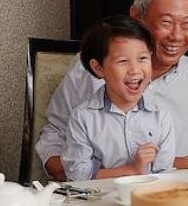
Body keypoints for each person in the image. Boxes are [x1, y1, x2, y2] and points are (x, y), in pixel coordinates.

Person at [36, 0, 188, 181]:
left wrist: (183, 162)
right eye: (166, 22)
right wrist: (73, 172)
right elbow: (55, 132)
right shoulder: (91, 70)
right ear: (136, 16)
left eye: (187, 24)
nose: (177, 36)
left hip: (172, 194)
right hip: (94, 194)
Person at [62, 16, 175, 180]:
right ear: (98, 68)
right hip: (101, 196)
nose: (135, 70)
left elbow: (164, 173)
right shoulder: (83, 117)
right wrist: (131, 170)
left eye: (143, 58)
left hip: (149, 195)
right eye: (123, 61)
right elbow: (77, 173)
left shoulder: (161, 116)